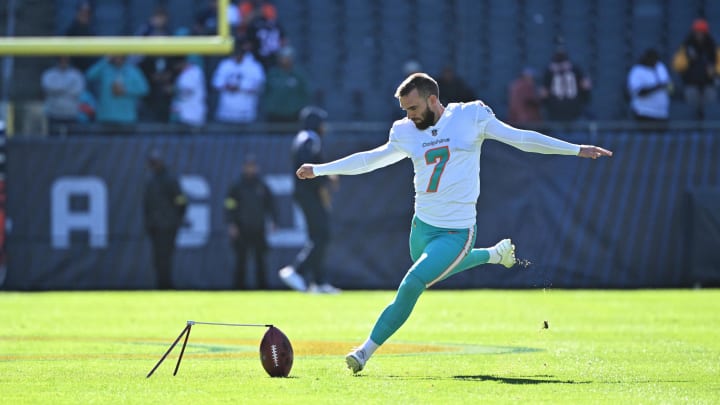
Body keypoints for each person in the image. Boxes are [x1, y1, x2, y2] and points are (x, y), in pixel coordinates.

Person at [293, 73, 612, 373]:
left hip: (457, 231)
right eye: (404, 110)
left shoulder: (470, 116)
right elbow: (370, 159)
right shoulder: (405, 131)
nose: (409, 117)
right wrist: (320, 169)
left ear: (433, 99)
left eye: (414, 108)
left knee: (412, 283)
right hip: (421, 228)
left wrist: (575, 149)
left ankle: (364, 351)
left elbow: (521, 139)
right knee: (431, 269)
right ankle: (494, 254)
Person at [278, 106, 342, 295]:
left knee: (318, 235)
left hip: (305, 193)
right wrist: (324, 186)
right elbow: (310, 169)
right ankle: (296, 270)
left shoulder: (302, 138)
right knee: (322, 234)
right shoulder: (310, 139)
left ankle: (319, 282)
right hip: (310, 194)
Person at [224, 155, 278, 289]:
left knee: (261, 260)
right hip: (242, 228)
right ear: (244, 168)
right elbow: (229, 206)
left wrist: (274, 221)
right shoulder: (237, 186)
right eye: (248, 166)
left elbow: (270, 204)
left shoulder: (262, 185)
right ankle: (239, 288)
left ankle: (262, 287)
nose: (250, 169)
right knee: (241, 260)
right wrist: (231, 223)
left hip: (258, 228)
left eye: (252, 166)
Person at [143, 149, 188, 290]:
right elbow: (146, 205)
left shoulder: (170, 180)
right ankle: (161, 285)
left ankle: (166, 285)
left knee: (166, 257)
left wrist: (176, 219)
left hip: (168, 226)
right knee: (157, 258)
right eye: (152, 163)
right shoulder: (150, 182)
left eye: (156, 163)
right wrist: (149, 222)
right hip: (155, 227)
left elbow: (181, 201)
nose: (154, 165)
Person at [672, 18, 718, 120]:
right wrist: (687, 60)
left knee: (710, 113)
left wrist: (714, 70)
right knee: (691, 112)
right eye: (697, 32)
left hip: (709, 84)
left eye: (702, 32)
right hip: (691, 83)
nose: (699, 34)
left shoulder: (712, 46)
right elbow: (677, 65)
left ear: (706, 33)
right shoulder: (687, 45)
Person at [211, 37, 265, 124]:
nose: (237, 56)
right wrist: (228, 86)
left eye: (239, 54)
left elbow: (259, 86)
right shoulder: (225, 65)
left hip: (246, 112)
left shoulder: (254, 66)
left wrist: (240, 86)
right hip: (226, 112)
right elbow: (216, 83)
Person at [85, 55, 149, 128]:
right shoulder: (104, 68)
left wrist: (125, 90)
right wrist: (105, 60)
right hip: (106, 117)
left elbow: (144, 89)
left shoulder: (133, 71)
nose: (118, 58)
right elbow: (89, 75)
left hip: (126, 118)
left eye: (120, 55)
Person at [539, 47, 592, 122]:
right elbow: (586, 86)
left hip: (558, 110)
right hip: (572, 109)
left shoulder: (548, 72)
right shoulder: (576, 69)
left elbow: (543, 93)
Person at [262, 46, 310, 123]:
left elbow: (306, 93)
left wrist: (298, 107)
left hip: (293, 114)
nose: (284, 60)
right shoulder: (272, 74)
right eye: (282, 57)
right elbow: (265, 91)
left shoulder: (299, 75)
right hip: (274, 115)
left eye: (287, 57)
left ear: (292, 58)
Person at [41, 56, 86, 136]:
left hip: (71, 114)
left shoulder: (76, 74)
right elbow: (48, 87)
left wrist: (58, 89)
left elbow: (77, 91)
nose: (63, 62)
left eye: (66, 60)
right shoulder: (49, 74)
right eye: (61, 59)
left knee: (72, 142)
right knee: (52, 141)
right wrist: (67, 87)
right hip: (53, 113)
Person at [627, 48, 671, 126]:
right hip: (644, 114)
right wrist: (658, 87)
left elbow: (667, 84)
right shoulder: (637, 71)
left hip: (662, 114)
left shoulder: (660, 67)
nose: (655, 63)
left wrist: (669, 88)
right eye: (653, 60)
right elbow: (639, 93)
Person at [169, 56, 207, 128]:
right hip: (185, 113)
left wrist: (173, 90)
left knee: (191, 136)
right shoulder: (185, 73)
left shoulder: (194, 72)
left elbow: (187, 91)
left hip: (191, 114)